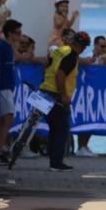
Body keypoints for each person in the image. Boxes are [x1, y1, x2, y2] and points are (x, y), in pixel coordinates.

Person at [39, 28, 91, 171]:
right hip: (55, 95)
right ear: (81, 45)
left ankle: (53, 160)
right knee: (61, 129)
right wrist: (63, 95)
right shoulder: (71, 55)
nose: (84, 49)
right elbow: (60, 74)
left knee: (54, 129)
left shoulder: (60, 50)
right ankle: (56, 163)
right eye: (85, 47)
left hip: (44, 91)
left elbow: (46, 64)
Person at [0, 19, 22, 163]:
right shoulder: (1, 46)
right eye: (17, 33)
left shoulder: (9, 47)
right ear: (10, 33)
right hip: (2, 86)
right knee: (7, 117)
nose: (20, 36)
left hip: (8, 86)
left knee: (5, 118)